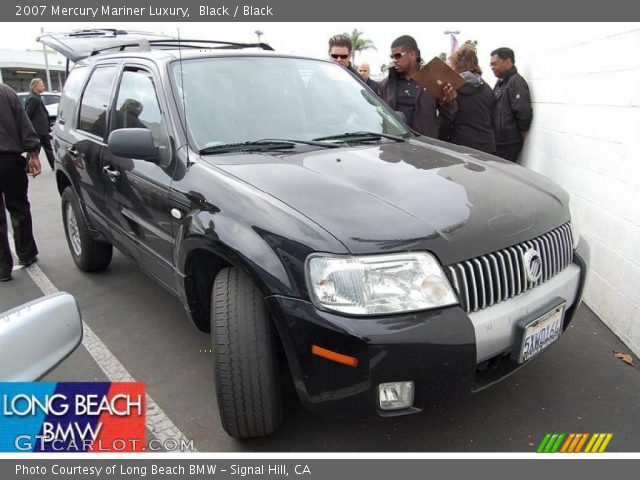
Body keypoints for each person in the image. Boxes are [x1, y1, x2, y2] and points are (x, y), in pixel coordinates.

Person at [0, 82, 41, 282]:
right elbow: (23, 123)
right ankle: (26, 254)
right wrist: (33, 154)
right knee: (19, 208)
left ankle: (2, 269)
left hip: (9, 158)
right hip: (9, 160)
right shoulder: (6, 91)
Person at [378, 35, 457, 139]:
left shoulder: (431, 81)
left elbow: (448, 116)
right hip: (394, 145)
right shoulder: (387, 84)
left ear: (412, 54)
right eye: (392, 57)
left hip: (424, 147)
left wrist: (448, 102)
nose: (394, 60)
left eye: (397, 56)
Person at [442, 46, 496, 155]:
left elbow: (448, 118)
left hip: (462, 145)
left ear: (457, 66)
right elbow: (494, 119)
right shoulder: (488, 89)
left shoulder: (453, 89)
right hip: (486, 145)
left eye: (453, 66)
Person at [490, 47, 533, 163]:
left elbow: (523, 110)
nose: (492, 68)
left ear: (508, 61)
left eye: (495, 64)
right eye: (491, 65)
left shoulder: (516, 82)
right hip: (498, 142)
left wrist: (521, 132)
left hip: (508, 143)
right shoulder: (501, 83)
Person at [24, 78, 55, 170]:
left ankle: (27, 168)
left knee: (36, 148)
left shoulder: (36, 96)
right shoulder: (33, 98)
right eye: (41, 85)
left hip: (41, 128)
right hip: (39, 129)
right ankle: (54, 165)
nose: (43, 87)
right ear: (35, 86)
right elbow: (28, 115)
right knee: (44, 148)